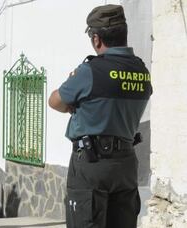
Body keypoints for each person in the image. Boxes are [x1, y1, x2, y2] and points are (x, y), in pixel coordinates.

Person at [48, 5, 152, 228]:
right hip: (126, 163)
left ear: (96, 39)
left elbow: (54, 101)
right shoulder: (142, 71)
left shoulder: (90, 71)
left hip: (91, 163)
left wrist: (73, 105)